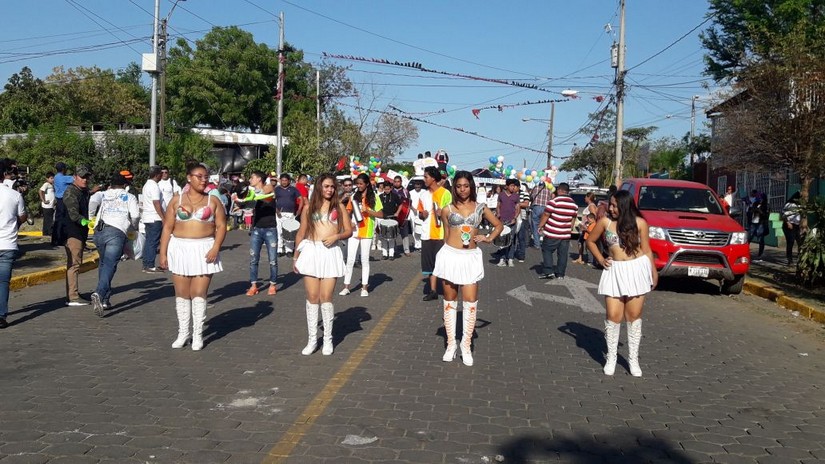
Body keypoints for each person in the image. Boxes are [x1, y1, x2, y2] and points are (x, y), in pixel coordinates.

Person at [433, 171, 502, 366]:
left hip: (470, 258)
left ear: (471, 186)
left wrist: (488, 238)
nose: (462, 189)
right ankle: (451, 345)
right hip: (450, 256)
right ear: (454, 188)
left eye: (465, 186)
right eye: (458, 186)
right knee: (450, 301)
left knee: (470, 302)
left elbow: (498, 225)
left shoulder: (481, 207)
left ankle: (466, 345)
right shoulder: (447, 209)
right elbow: (446, 234)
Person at [586, 190, 657, 377]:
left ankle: (633, 359)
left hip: (637, 270)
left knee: (633, 316)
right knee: (613, 316)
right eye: (610, 204)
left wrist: (653, 272)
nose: (610, 208)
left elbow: (647, 250)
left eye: (614, 205)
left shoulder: (640, 223)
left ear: (625, 206)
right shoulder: (605, 222)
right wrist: (601, 259)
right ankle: (611, 358)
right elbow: (590, 241)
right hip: (614, 271)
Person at [159, 162, 226, 351]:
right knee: (182, 294)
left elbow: (221, 226)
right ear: (189, 178)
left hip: (204, 249)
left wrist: (215, 247)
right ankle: (183, 333)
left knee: (198, 293)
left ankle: (197, 334)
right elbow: (167, 227)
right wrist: (163, 252)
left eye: (206, 177)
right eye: (199, 176)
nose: (203, 180)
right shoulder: (176, 200)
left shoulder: (213, 200)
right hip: (180, 248)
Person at [293, 174, 353, 356]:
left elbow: (349, 231)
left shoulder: (339, 207)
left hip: (330, 253)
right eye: (326, 186)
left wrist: (337, 236)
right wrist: (295, 257)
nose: (330, 190)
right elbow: (301, 233)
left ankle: (328, 339)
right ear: (319, 187)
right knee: (312, 296)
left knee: (326, 297)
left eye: (332, 187)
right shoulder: (308, 208)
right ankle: (312, 340)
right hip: (311, 251)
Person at [90, 173, 140, 317]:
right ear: (124, 185)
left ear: (111, 185)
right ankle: (99, 293)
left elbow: (92, 200)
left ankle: (105, 300)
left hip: (100, 231)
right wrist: (133, 227)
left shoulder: (103, 194)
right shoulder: (129, 197)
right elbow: (136, 215)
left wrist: (91, 217)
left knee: (104, 263)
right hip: (117, 232)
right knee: (110, 265)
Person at [340, 173, 384, 297]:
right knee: (350, 259)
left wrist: (368, 211)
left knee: (364, 260)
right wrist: (349, 222)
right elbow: (347, 211)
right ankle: (346, 286)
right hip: (355, 231)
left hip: (367, 231)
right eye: (357, 184)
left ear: (367, 184)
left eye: (361, 184)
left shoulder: (374, 197)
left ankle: (364, 287)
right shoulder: (354, 196)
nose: (358, 186)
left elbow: (381, 214)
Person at [59, 166, 93, 306]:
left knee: (74, 263)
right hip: (72, 232)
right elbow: (73, 215)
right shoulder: (71, 192)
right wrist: (86, 222)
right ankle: (72, 297)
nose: (85, 180)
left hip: (79, 232)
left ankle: (73, 294)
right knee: (74, 264)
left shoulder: (83, 191)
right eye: (82, 177)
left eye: (87, 177)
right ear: (74, 177)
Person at [0, 159, 27, 328]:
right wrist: (15, 223)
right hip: (8, 244)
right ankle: (1, 316)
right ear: (4, 175)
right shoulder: (15, 195)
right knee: (3, 282)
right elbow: (23, 216)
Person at [419, 167, 452, 301]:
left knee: (443, 264)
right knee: (430, 265)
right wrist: (422, 214)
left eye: (426, 177)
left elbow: (452, 214)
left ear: (433, 178)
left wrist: (442, 213)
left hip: (441, 235)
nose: (424, 179)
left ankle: (448, 291)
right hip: (427, 234)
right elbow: (420, 214)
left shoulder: (445, 193)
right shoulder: (423, 195)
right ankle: (433, 291)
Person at [245, 171, 278, 296]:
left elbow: (268, 190)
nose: (250, 179)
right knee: (253, 259)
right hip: (257, 229)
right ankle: (253, 285)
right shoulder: (252, 193)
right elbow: (247, 203)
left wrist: (254, 193)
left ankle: (273, 284)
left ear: (259, 179)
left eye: (252, 177)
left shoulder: (268, 188)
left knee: (272, 260)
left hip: (270, 229)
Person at [537, 182, 577, 280]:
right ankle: (560, 274)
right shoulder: (574, 204)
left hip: (552, 232)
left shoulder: (554, 201)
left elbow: (546, 214)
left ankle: (548, 271)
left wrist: (540, 226)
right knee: (562, 254)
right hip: (565, 234)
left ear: (559, 190)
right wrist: (569, 229)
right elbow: (573, 218)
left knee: (547, 250)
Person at [141, 166, 165, 273]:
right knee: (153, 242)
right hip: (154, 217)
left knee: (149, 241)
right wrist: (163, 217)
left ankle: (146, 264)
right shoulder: (154, 186)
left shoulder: (146, 185)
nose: (162, 175)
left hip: (148, 217)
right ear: (156, 175)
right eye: (160, 174)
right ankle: (150, 265)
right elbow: (156, 203)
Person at [495, 179, 522, 267]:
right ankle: (502, 259)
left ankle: (510, 259)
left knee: (511, 239)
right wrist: (498, 214)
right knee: (502, 240)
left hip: (511, 221)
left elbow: (518, 208)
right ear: (506, 186)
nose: (513, 187)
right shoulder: (501, 195)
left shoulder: (516, 196)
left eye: (514, 186)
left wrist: (515, 218)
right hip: (502, 221)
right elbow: (498, 206)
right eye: (511, 185)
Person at [275, 173, 302, 256]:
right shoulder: (277, 189)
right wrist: (277, 210)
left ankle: (289, 250)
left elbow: (301, 199)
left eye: (285, 180)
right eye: (282, 180)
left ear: (289, 181)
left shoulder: (293, 189)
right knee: (279, 231)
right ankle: (280, 249)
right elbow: (273, 200)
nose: (284, 182)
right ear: (280, 181)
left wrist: (299, 210)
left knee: (289, 232)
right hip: (279, 214)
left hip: (290, 214)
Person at [574, 192, 599, 264]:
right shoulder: (590, 205)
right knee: (581, 242)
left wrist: (587, 225)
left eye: (585, 197)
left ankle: (588, 259)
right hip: (584, 227)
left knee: (583, 242)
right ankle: (580, 258)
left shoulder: (591, 206)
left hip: (587, 228)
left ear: (589, 198)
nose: (584, 198)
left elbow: (594, 216)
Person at [378, 181, 401, 260]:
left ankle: (391, 254)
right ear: (383, 188)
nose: (387, 190)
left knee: (391, 237)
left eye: (388, 189)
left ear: (391, 188)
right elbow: (377, 207)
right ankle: (384, 254)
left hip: (392, 218)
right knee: (383, 237)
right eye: (385, 189)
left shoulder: (395, 196)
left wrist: (397, 213)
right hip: (383, 218)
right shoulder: (380, 196)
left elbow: (400, 204)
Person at [529, 180, 553, 249]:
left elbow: (531, 197)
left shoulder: (535, 188)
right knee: (543, 226)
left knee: (535, 226)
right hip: (545, 209)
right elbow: (550, 199)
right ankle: (543, 242)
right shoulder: (548, 190)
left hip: (536, 207)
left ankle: (537, 244)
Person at [392, 175, 412, 256]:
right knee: (393, 233)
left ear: (401, 182)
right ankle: (394, 250)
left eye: (398, 181)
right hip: (394, 215)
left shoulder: (405, 191)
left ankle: (406, 250)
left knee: (405, 233)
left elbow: (409, 203)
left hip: (403, 216)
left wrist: (407, 215)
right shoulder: (391, 191)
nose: (397, 183)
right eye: (395, 181)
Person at [781, 192, 803, 267]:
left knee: (800, 242)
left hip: (796, 226)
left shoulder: (800, 205)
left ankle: (800, 258)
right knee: (790, 242)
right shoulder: (790, 204)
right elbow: (783, 215)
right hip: (789, 225)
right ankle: (790, 260)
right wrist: (788, 223)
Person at [748, 192, 769, 261]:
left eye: (761, 198)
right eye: (759, 198)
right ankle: (745, 252)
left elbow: (766, 216)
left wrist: (760, 211)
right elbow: (750, 211)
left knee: (760, 239)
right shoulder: (755, 203)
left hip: (761, 223)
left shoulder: (766, 206)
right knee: (749, 238)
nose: (760, 199)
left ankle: (760, 254)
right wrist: (753, 210)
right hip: (754, 222)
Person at [39, 172, 56, 237]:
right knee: (49, 219)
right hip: (47, 206)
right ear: (47, 178)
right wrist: (43, 200)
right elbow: (40, 191)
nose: (53, 179)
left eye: (53, 178)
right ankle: (49, 232)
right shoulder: (46, 184)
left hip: (51, 205)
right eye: (51, 178)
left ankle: (45, 232)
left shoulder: (51, 185)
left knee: (47, 219)